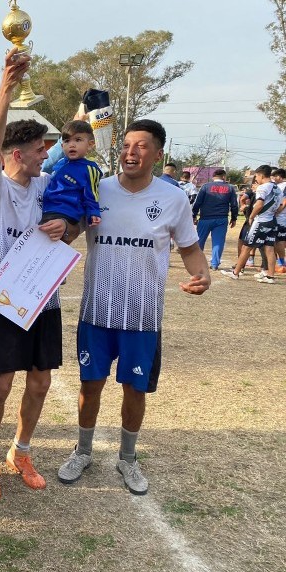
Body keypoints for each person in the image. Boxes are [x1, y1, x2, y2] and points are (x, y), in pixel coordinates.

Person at [58, 119, 210, 496]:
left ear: (158, 155)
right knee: (89, 385)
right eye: (126, 145)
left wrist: (202, 275)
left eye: (141, 146)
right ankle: (83, 450)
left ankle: (127, 459)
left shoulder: (173, 197)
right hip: (97, 312)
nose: (131, 152)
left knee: (134, 389)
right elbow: (71, 230)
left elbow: (189, 248)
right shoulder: (99, 186)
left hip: (142, 317)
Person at [0, 49, 75, 501]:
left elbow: (74, 229)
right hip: (10, 301)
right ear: (18, 153)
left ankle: (22, 451)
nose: (45, 156)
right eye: (39, 151)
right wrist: (6, 89)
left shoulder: (49, 185)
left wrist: (65, 227)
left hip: (46, 300)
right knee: (1, 383)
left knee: (40, 381)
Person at [222, 165, 279, 284]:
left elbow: (259, 204)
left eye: (257, 176)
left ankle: (235, 273)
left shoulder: (263, 187)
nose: (256, 179)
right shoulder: (276, 188)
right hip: (272, 221)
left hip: (261, 221)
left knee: (246, 246)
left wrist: (252, 216)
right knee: (269, 248)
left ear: (261, 175)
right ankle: (270, 276)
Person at [41, 119, 102, 227]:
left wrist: (93, 213)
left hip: (66, 213)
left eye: (78, 140)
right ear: (62, 146)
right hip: (46, 209)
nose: (71, 145)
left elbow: (92, 193)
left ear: (90, 144)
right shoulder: (60, 164)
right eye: (67, 141)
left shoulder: (90, 168)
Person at [192, 169, 238, 270]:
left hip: (205, 218)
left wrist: (194, 215)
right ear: (224, 177)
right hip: (221, 219)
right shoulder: (230, 188)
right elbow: (234, 204)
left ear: (213, 177)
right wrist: (234, 218)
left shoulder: (205, 187)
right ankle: (215, 264)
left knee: (200, 241)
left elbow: (198, 202)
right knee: (218, 241)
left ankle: (197, 262)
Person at [270, 168, 286, 273]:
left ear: (279, 177)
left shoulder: (283, 186)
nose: (273, 179)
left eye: (274, 176)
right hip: (280, 218)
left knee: (279, 241)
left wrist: (277, 212)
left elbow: (284, 201)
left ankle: (282, 264)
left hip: (281, 218)